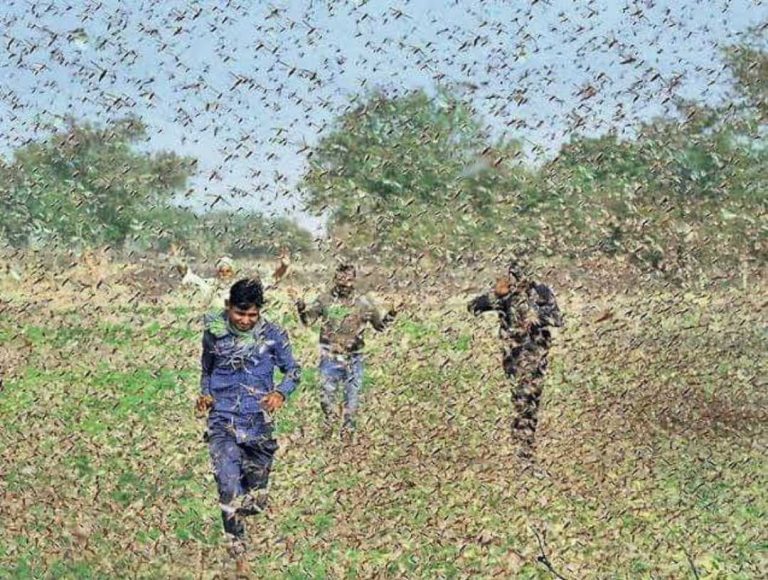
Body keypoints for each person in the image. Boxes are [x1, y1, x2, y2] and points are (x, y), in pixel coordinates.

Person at [196, 278, 300, 574]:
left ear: (260, 313)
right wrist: (205, 394)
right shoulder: (214, 332)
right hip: (222, 422)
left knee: (254, 500)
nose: (244, 321)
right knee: (228, 488)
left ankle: (249, 507)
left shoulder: (273, 335)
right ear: (228, 307)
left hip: (258, 424)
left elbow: (293, 370)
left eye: (252, 315)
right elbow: (207, 369)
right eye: (239, 314)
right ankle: (241, 560)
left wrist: (281, 393)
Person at [468, 260, 563, 461]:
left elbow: (556, 318)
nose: (519, 279)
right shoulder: (506, 296)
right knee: (521, 400)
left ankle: (524, 449)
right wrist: (496, 295)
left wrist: (535, 315)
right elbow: (474, 307)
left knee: (530, 401)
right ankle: (522, 450)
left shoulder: (542, 292)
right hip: (513, 357)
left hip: (536, 355)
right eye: (515, 275)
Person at [294, 263, 396, 436]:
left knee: (352, 399)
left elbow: (380, 327)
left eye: (349, 280)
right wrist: (301, 308)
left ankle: (348, 434)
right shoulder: (324, 299)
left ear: (354, 280)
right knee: (327, 397)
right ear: (335, 279)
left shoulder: (364, 303)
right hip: (330, 356)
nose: (345, 284)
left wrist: (393, 312)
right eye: (341, 279)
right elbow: (307, 321)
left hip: (354, 357)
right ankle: (329, 427)